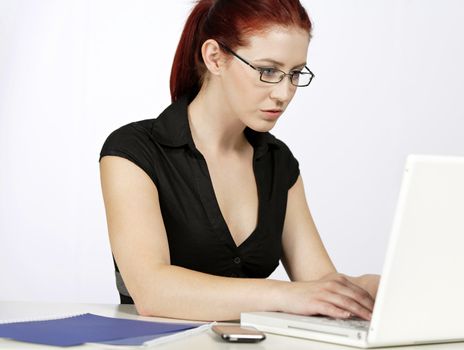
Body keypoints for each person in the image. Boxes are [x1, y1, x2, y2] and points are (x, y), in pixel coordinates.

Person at [99, 0, 380, 321]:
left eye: (296, 73)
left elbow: (319, 285)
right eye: (268, 71)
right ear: (215, 57)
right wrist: (283, 294)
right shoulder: (135, 150)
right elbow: (152, 291)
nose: (284, 93)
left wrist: (377, 286)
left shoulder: (278, 162)